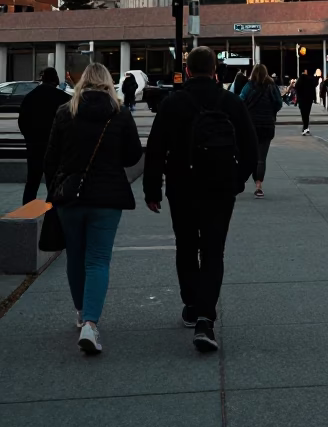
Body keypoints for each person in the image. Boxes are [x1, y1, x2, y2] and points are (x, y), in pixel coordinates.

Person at [143, 46, 258, 352]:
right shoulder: (231, 102)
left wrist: (152, 190)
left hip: (182, 187)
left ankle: (192, 305)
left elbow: (155, 149)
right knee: (213, 251)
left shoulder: (173, 103)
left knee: (185, 246)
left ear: (189, 71)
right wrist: (237, 180)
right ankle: (206, 317)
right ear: (215, 71)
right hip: (220, 189)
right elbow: (251, 148)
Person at [44, 63, 142, 355]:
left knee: (75, 256)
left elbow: (50, 158)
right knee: (98, 259)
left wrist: (56, 189)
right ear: (108, 83)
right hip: (107, 198)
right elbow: (133, 155)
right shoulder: (120, 114)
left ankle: (79, 311)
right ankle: (90, 322)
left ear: (83, 82)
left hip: (70, 197)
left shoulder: (65, 112)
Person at [18, 67, 70, 204]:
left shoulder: (30, 97)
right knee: (53, 180)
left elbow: (22, 122)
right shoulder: (63, 98)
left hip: (34, 145)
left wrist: (30, 138)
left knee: (32, 180)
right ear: (56, 79)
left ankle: (27, 208)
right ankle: (53, 211)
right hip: (54, 147)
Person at [238, 63, 282, 197]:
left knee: (249, 154)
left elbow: (240, 101)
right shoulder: (272, 86)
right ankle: (258, 185)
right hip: (267, 125)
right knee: (261, 158)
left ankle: (241, 180)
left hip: (251, 125)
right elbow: (278, 103)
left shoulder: (249, 86)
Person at [295, 68, 316, 134]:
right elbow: (313, 89)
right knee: (307, 113)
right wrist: (314, 98)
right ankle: (306, 127)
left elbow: (297, 89)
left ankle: (305, 127)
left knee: (303, 114)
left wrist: (297, 100)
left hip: (302, 99)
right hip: (309, 99)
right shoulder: (311, 79)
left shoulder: (300, 80)